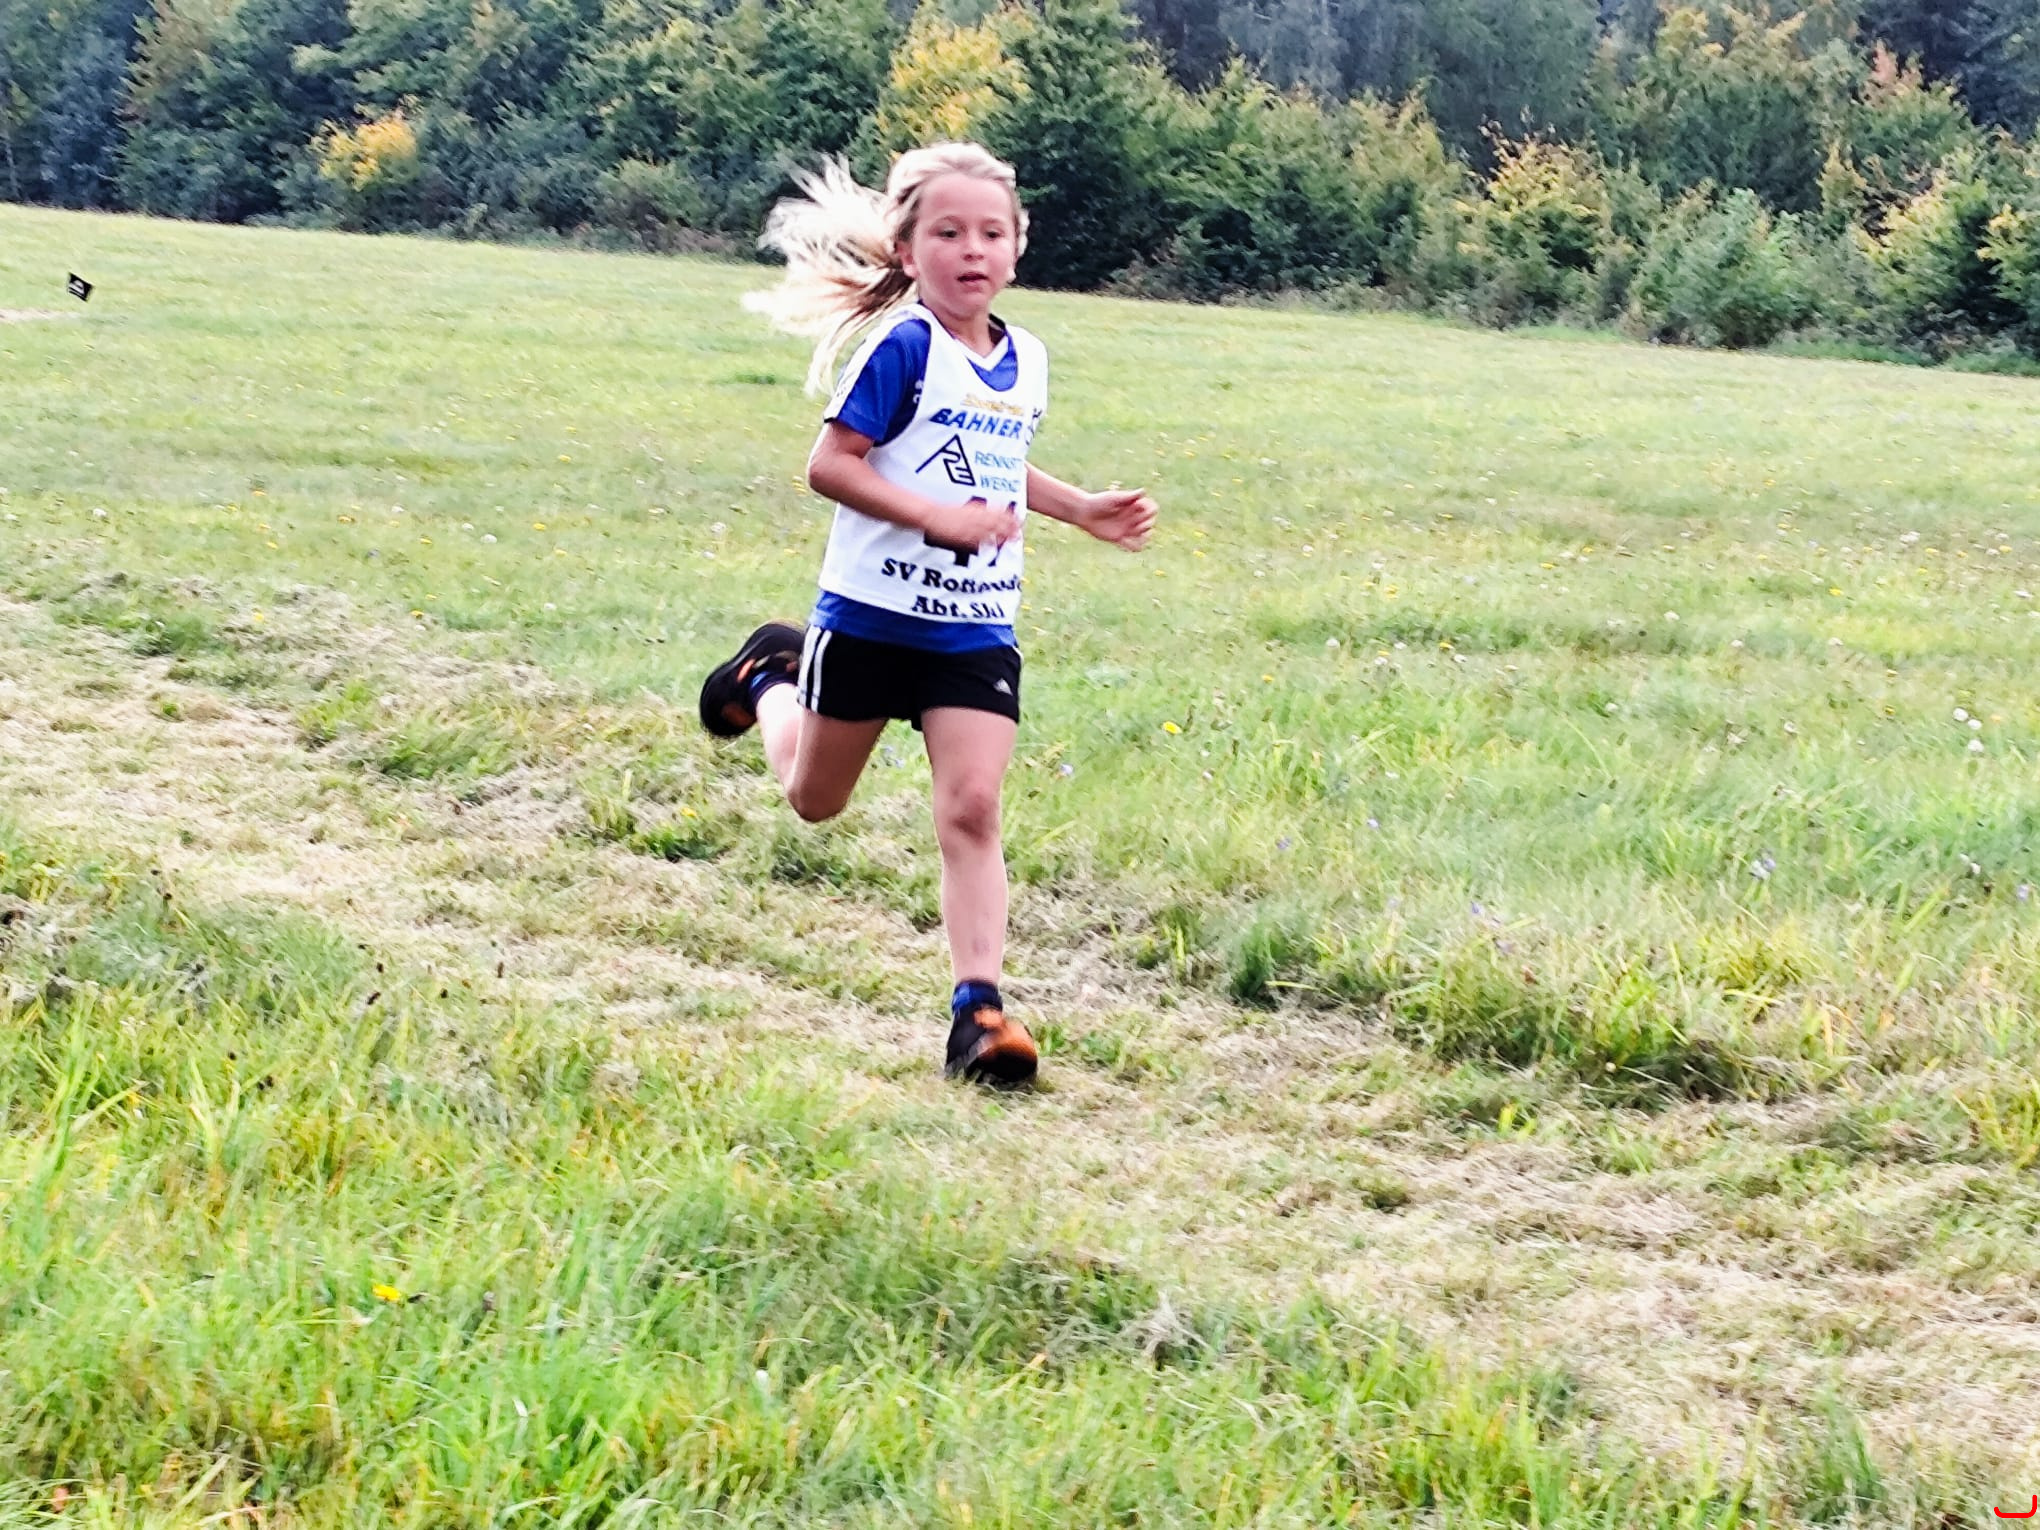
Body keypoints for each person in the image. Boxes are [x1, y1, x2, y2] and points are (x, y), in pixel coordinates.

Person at [697, 142, 1158, 1086]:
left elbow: (996, 459)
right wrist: (933, 517)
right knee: (814, 802)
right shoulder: (903, 346)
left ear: (1018, 248)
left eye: (991, 232)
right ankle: (771, 675)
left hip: (974, 626)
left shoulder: (1028, 359)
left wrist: (1080, 509)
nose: (971, 249)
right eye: (947, 232)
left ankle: (979, 1018)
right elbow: (832, 464)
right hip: (870, 618)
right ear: (909, 252)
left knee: (973, 808)